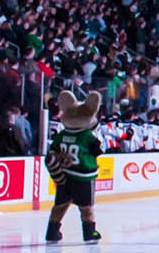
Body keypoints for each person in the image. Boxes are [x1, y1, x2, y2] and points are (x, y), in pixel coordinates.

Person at [45, 90, 105, 244]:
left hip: (64, 175)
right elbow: (99, 150)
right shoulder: (87, 136)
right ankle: (89, 233)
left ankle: (52, 232)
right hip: (83, 177)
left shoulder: (61, 134)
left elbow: (52, 152)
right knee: (86, 207)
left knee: (60, 205)